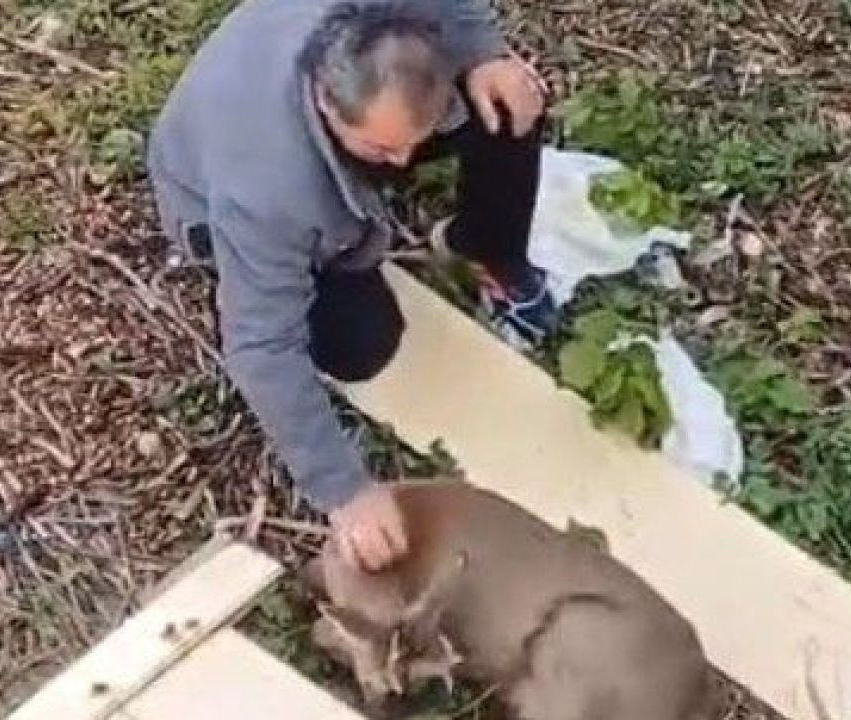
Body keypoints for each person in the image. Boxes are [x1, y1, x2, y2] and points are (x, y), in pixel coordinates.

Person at [146, 0, 557, 573]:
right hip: (211, 193)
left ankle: (484, 248)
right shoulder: (266, 193)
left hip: (332, 117)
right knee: (362, 343)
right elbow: (261, 346)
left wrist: (484, 54)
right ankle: (326, 241)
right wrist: (344, 490)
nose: (405, 163)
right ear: (324, 100)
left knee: (507, 105)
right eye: (384, 152)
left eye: (413, 142)